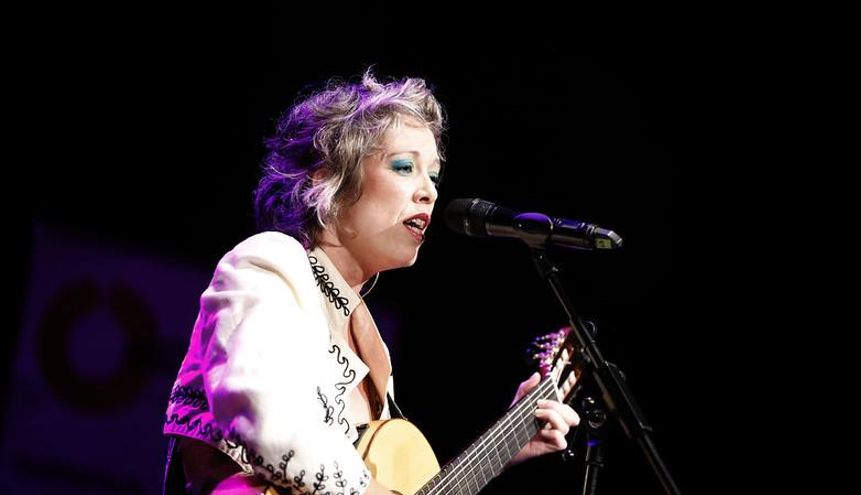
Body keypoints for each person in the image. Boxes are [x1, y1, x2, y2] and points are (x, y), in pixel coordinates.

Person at [162, 70, 580, 495]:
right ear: (326, 180)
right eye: (404, 167)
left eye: (433, 177)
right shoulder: (271, 262)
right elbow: (269, 422)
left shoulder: (371, 349)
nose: (429, 193)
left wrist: (506, 446)